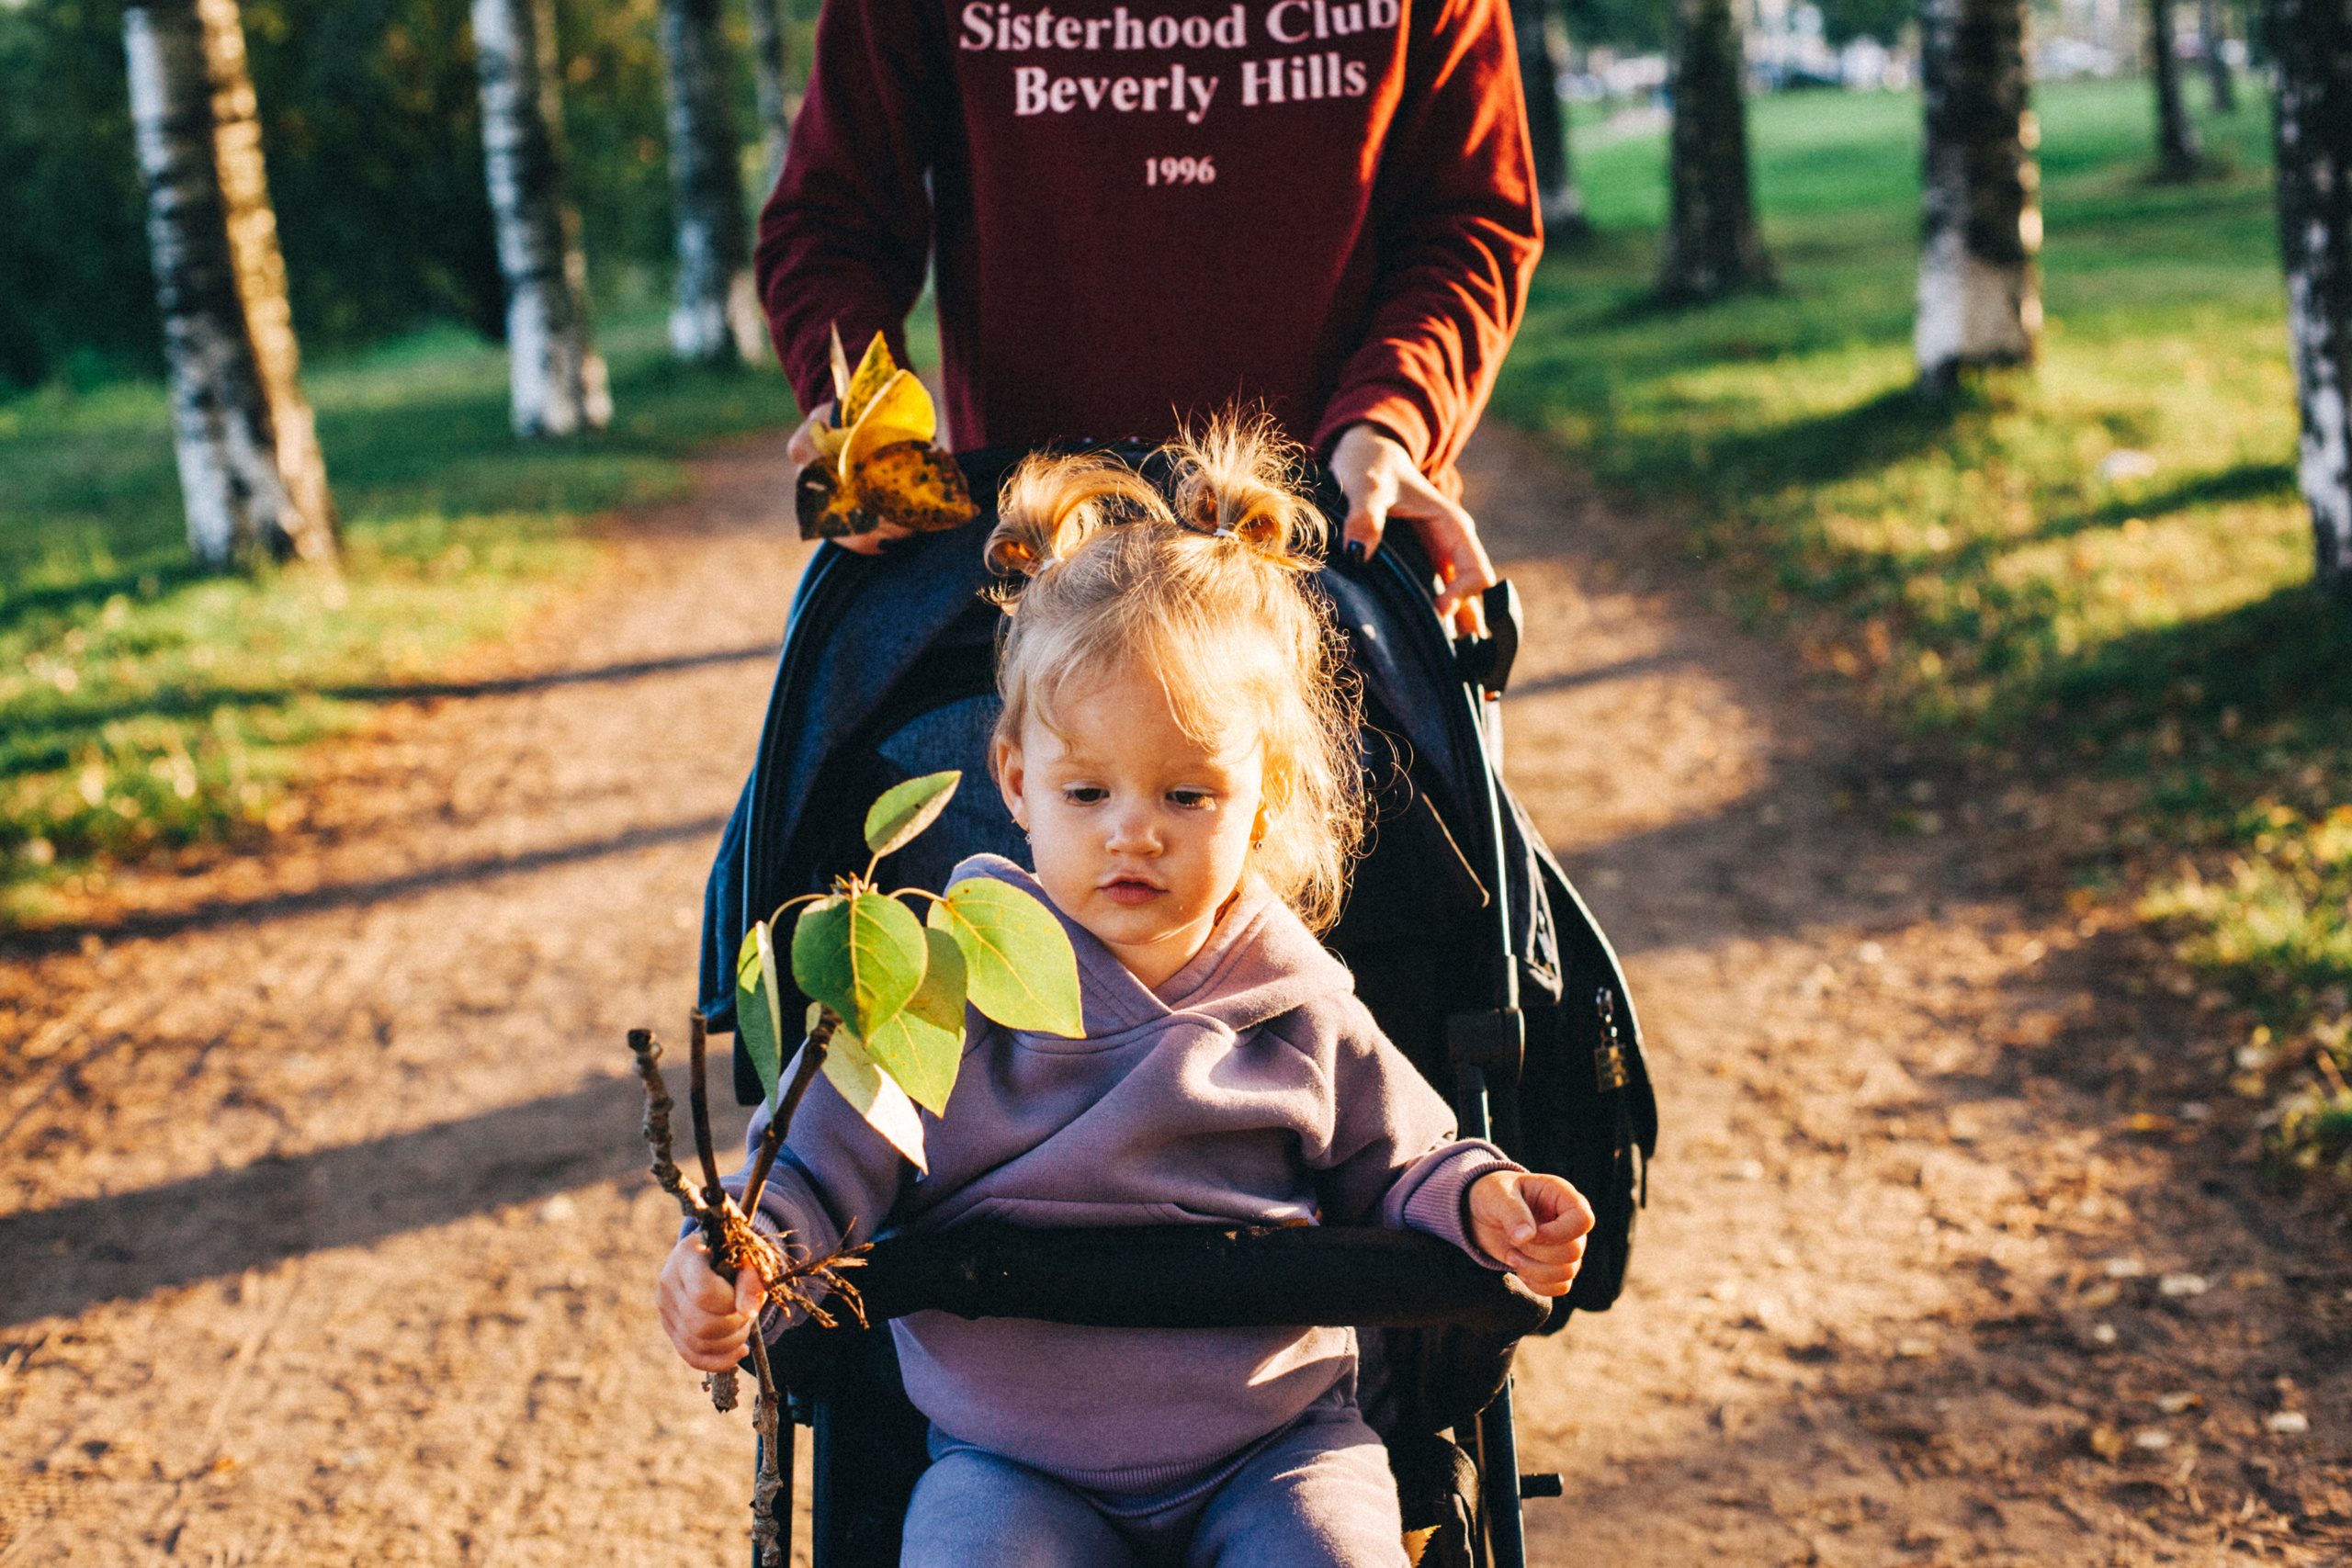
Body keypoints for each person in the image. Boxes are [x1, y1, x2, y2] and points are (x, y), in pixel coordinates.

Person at [658, 423, 1592, 1565]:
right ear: (1015, 782)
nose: (1132, 831)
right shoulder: (938, 987)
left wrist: (1482, 1200)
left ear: (1261, 803)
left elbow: (1404, 1163)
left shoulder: (1299, 1005)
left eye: (1188, 796)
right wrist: (745, 1253)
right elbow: (810, 1171)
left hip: (1277, 1445)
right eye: (1087, 790)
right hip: (1011, 1462)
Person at [756, 0, 1544, 636]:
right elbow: (832, 224)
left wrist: (1392, 419)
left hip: (1332, 556)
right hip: (1036, 578)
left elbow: (1469, 223)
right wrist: (863, 418)